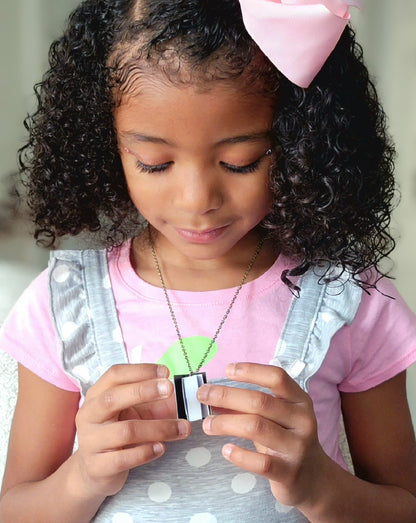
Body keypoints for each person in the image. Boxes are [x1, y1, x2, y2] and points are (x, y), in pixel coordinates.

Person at [1, 0, 416, 521]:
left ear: (300, 141)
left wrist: (319, 486)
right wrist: (82, 477)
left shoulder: (350, 300)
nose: (197, 200)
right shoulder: (65, 303)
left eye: (239, 162)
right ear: (106, 146)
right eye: (154, 163)